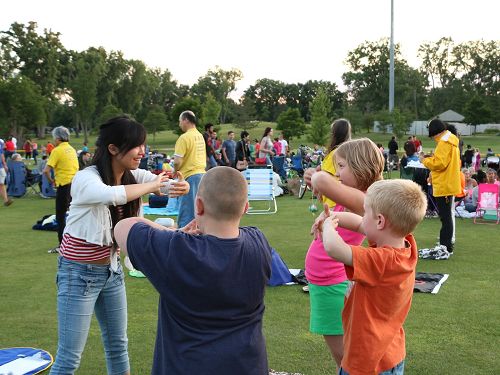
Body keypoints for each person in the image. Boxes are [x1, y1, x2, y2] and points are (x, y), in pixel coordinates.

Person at [48, 116, 189, 375]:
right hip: (77, 274)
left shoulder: (133, 175)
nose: (142, 152)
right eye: (136, 146)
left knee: (118, 346)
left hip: (111, 272)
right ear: (113, 149)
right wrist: (154, 185)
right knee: (69, 359)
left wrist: (181, 185)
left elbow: (168, 184)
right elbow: (110, 196)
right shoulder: (85, 178)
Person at [114, 167, 272, 375]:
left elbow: (123, 227)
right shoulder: (258, 242)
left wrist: (176, 233)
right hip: (249, 366)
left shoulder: (176, 250)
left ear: (198, 205)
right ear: (245, 208)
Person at [316, 178, 427, 375]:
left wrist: (328, 227)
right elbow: (361, 225)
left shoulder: (383, 261)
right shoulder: (403, 245)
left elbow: (334, 248)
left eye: (366, 211)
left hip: (368, 361)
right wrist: (334, 216)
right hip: (389, 352)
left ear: (380, 221)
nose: (362, 216)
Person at [305, 133, 386, 370]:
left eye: (341, 166)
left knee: (346, 357)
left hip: (330, 282)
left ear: (360, 168)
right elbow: (326, 187)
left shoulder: (365, 199)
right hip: (327, 281)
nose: (337, 172)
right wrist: (318, 181)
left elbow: (324, 181)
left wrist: (319, 177)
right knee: (343, 352)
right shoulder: (356, 196)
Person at [421, 119, 461, 255]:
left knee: (445, 218)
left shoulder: (444, 143)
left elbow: (439, 163)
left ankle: (445, 246)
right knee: (447, 217)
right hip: (448, 183)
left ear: (434, 131)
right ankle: (446, 244)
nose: (432, 138)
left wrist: (425, 160)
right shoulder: (451, 141)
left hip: (445, 185)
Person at [44, 127, 79, 253]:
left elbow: (46, 171)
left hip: (64, 185)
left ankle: (62, 245)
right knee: (74, 215)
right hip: (75, 185)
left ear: (58, 138)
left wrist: (51, 181)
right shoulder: (72, 149)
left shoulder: (57, 150)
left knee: (60, 215)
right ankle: (75, 242)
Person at [174, 110, 206, 228]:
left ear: (186, 120)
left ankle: (184, 240)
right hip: (202, 175)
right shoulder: (200, 136)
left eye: (180, 121)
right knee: (199, 210)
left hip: (190, 177)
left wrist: (175, 171)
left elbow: (177, 161)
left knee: (187, 213)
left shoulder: (184, 137)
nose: (179, 124)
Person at [0, 139, 13, 206]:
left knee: (2, 184)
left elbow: (1, 154)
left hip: (1, 166)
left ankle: (6, 201)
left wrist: (4, 164)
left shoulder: (1, 142)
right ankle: (6, 200)